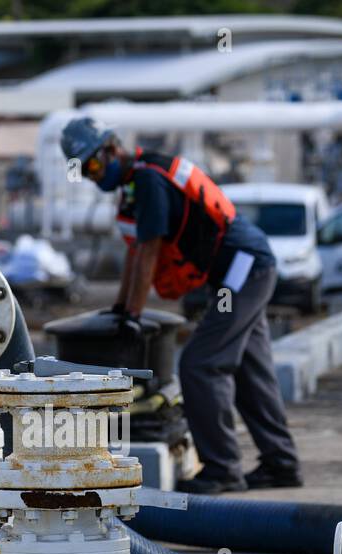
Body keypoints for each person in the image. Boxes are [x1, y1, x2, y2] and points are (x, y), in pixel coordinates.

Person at [59, 116, 301, 494]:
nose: (91, 176)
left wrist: (132, 316)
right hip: (237, 272)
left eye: (92, 165)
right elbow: (135, 253)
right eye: (82, 171)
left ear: (111, 149)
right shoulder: (133, 189)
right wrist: (122, 309)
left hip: (244, 268)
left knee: (201, 364)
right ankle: (281, 464)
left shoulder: (149, 180)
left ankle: (222, 469)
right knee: (252, 370)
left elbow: (150, 252)